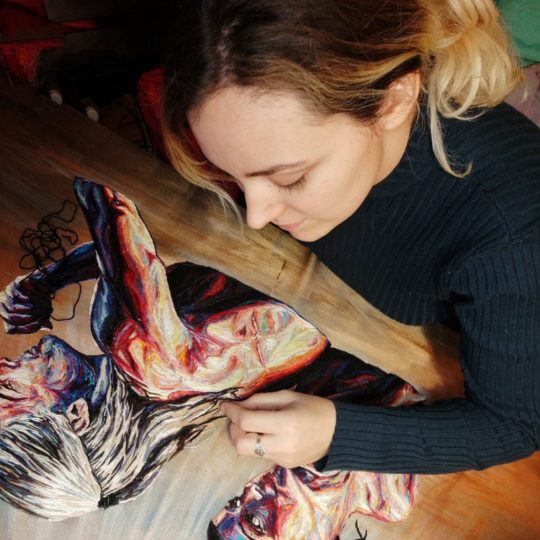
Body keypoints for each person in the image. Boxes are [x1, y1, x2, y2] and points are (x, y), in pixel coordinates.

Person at [161, 0, 540, 474]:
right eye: (233, 176)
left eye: (290, 178)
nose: (257, 216)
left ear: (394, 102)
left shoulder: (513, 237)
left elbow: (514, 425)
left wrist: (336, 433)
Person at [0, 179, 418, 528]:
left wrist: (47, 280)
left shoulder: (167, 381)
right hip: (344, 228)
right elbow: (111, 194)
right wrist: (45, 279)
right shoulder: (149, 363)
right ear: (76, 416)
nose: (3, 369)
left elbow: (130, 261)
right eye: (7, 395)